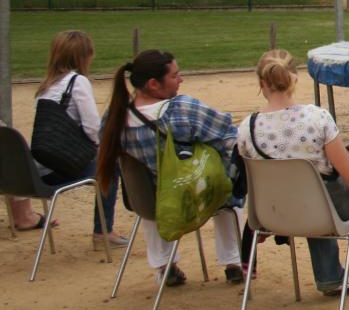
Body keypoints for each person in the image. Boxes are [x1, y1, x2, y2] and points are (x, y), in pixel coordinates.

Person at [96, 50, 243, 286]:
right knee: (229, 186)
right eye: (175, 75)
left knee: (153, 188)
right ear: (154, 84)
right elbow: (229, 136)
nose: (181, 79)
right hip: (194, 197)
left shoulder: (114, 119)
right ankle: (234, 261)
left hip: (148, 201)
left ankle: (165, 266)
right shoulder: (180, 110)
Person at [237, 50, 349, 295]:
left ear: (261, 83)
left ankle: (330, 273)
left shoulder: (246, 128)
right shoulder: (317, 118)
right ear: (295, 79)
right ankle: (330, 274)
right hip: (318, 212)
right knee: (337, 191)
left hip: (271, 214)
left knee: (307, 192)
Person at [33, 30, 125, 247]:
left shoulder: (47, 86)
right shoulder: (78, 82)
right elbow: (93, 129)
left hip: (40, 168)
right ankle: (103, 231)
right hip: (62, 165)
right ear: (84, 57)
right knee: (109, 166)